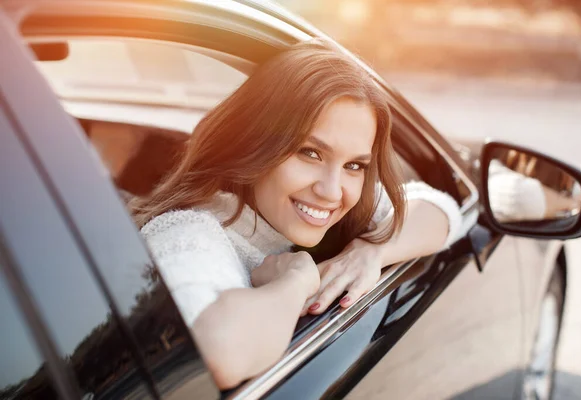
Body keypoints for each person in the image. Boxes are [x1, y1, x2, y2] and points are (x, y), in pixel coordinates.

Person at [129, 39, 463, 389]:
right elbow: (220, 355)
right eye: (310, 153)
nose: (332, 191)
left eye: (354, 165)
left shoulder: (324, 202)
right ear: (254, 141)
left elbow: (441, 211)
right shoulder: (190, 233)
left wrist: (372, 252)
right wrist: (296, 282)